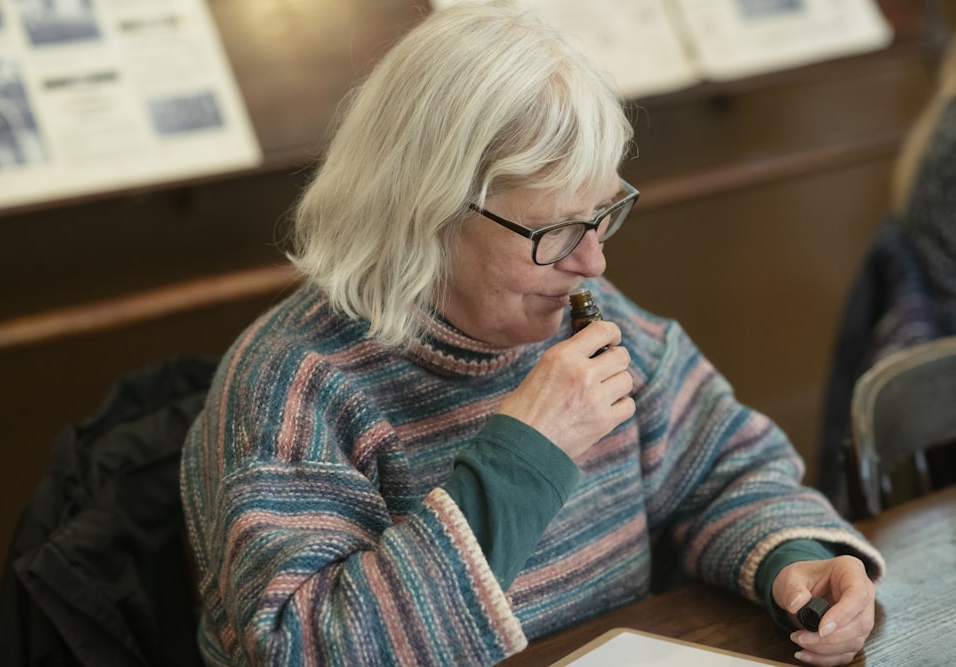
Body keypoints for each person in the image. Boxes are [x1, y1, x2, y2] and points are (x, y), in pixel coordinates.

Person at [180, 2, 883, 665]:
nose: (594, 261)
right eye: (554, 230)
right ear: (427, 211)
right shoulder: (293, 387)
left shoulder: (583, 308)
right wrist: (525, 456)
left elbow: (722, 472)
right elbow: (296, 648)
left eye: (603, 213)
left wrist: (794, 562)